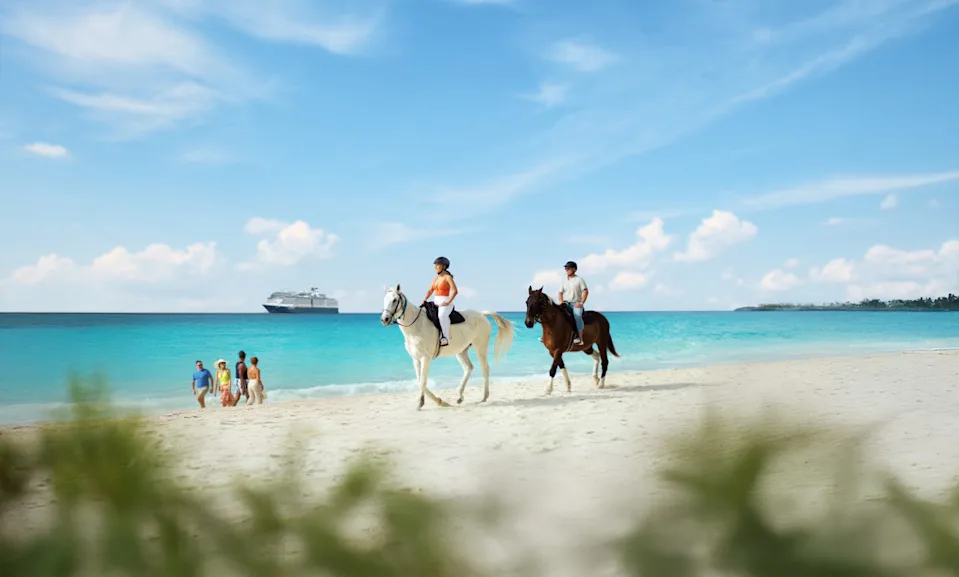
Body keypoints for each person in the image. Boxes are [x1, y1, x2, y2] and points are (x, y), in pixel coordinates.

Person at [422, 256, 458, 347]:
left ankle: (445, 338)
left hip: (445, 301)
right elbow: (430, 290)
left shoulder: (448, 277)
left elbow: (455, 291)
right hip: (436, 301)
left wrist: (448, 302)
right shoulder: (436, 279)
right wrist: (424, 300)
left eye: (438, 265)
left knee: (442, 315)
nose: (435, 267)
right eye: (435, 266)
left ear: (444, 267)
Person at [558, 260, 589, 345]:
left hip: (576, 303)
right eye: (566, 268)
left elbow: (585, 291)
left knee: (577, 316)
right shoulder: (564, 280)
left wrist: (581, 303)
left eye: (568, 268)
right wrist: (561, 301)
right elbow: (560, 292)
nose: (566, 270)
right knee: (555, 315)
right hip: (566, 303)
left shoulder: (579, 280)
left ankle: (580, 338)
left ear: (574, 269)